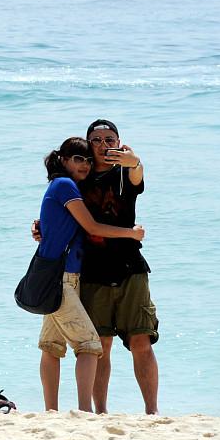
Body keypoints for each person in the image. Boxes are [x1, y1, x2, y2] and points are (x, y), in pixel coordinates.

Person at [34, 137, 144, 413]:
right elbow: (92, 227)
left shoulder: (64, 187)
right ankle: (84, 412)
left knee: (52, 345)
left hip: (54, 273)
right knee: (90, 344)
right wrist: (131, 234)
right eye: (77, 158)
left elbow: (59, 225)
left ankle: (50, 412)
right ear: (63, 160)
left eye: (87, 159)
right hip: (62, 278)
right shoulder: (65, 185)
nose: (84, 164)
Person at [79, 119, 159, 414]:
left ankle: (152, 411)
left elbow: (138, 174)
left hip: (130, 268)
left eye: (109, 139)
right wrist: (41, 227)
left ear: (119, 143)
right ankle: (101, 412)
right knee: (100, 345)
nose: (103, 145)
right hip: (92, 270)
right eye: (97, 140)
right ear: (88, 145)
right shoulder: (79, 177)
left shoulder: (125, 173)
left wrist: (135, 160)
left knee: (141, 341)